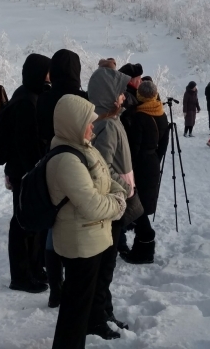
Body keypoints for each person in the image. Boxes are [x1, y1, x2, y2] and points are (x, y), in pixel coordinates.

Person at [47, 95, 127, 349]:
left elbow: (106, 178)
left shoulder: (84, 147)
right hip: (80, 242)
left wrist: (118, 191)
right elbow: (91, 204)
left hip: (93, 237)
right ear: (74, 123)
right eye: (88, 123)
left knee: (80, 307)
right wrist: (119, 204)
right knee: (74, 310)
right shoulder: (66, 159)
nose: (93, 127)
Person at [0, 54, 51, 294]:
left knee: (32, 223)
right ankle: (21, 275)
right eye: (47, 72)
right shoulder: (26, 101)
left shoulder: (27, 95)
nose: (49, 77)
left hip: (26, 172)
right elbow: (25, 143)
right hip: (25, 173)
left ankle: (34, 269)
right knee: (22, 224)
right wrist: (35, 171)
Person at [35, 49, 88, 308]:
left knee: (51, 227)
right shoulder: (81, 98)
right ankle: (74, 286)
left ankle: (55, 289)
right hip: (78, 164)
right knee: (76, 223)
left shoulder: (45, 98)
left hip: (49, 162)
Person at [85, 65, 135, 338]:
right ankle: (97, 317)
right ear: (108, 95)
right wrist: (123, 186)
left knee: (108, 265)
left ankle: (104, 310)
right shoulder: (105, 124)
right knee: (104, 266)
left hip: (115, 202)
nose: (124, 98)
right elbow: (101, 167)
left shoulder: (111, 121)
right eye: (120, 93)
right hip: (110, 204)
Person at [120, 80, 164, 264]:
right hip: (153, 162)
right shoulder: (160, 112)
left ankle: (144, 246)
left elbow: (134, 147)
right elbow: (163, 144)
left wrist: (129, 168)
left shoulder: (139, 116)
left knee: (138, 205)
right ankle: (143, 244)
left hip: (140, 166)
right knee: (144, 203)